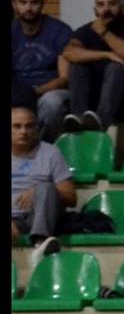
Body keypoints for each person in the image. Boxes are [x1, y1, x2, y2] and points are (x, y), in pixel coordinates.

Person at [60, 0, 124, 132]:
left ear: (121, 7)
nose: (106, 9)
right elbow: (69, 53)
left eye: (112, 4)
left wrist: (104, 32)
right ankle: (78, 117)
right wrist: (107, 55)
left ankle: (102, 122)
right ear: (95, 10)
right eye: (101, 5)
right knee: (77, 65)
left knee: (117, 66)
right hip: (99, 96)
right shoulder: (86, 30)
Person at [11, 0, 72, 142]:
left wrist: (36, 91)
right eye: (23, 2)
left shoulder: (60, 31)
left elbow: (65, 78)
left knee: (51, 103)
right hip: (18, 92)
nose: (29, 8)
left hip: (50, 90)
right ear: (14, 4)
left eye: (34, 2)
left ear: (42, 4)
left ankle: (40, 148)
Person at [11, 103, 74, 249]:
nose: (23, 131)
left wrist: (38, 191)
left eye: (29, 126)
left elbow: (71, 197)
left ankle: (40, 242)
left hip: (34, 219)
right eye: (17, 126)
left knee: (45, 187)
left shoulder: (51, 153)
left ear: (36, 129)